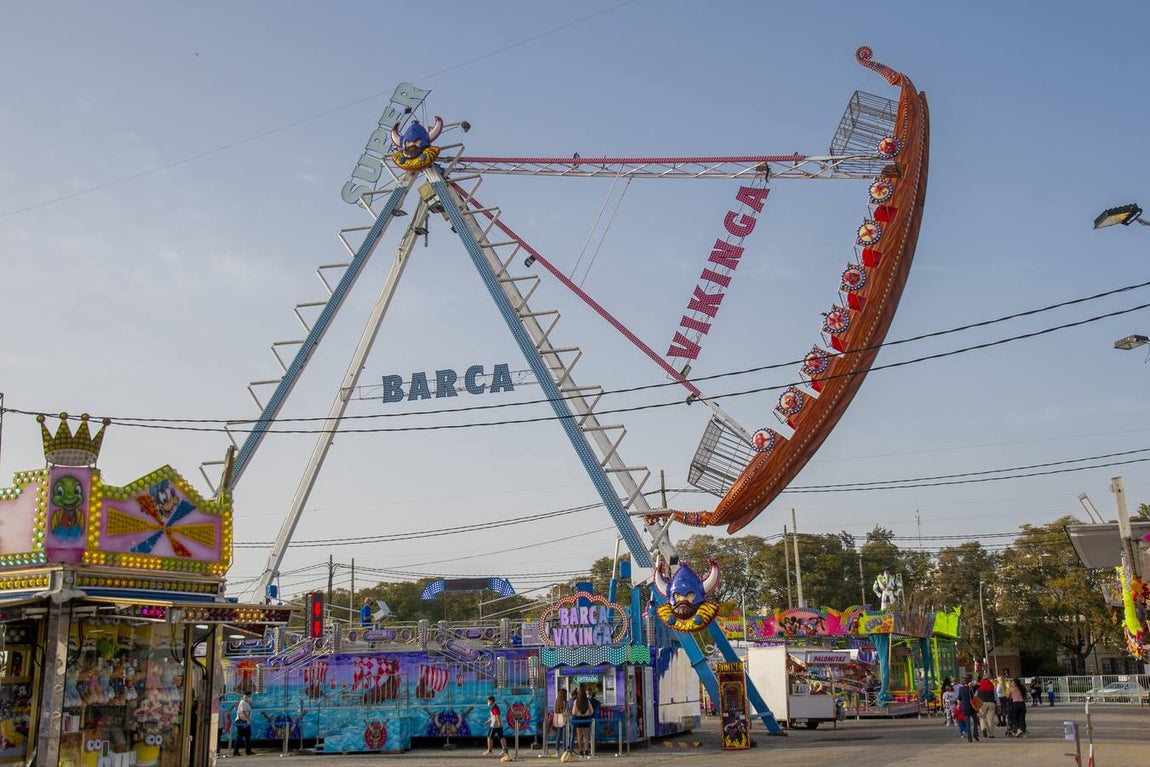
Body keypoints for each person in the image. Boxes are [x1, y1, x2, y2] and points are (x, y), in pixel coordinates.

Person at [570, 687, 595, 756]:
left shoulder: (576, 701)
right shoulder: (587, 701)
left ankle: (580, 751)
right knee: (586, 736)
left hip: (578, 719)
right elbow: (592, 711)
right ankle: (586, 751)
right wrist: (587, 714)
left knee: (579, 736)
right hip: (586, 719)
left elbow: (573, 712)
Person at [955, 674, 980, 742]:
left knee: (967, 723)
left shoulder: (961, 689)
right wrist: (972, 685)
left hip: (965, 707)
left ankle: (969, 738)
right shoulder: (971, 688)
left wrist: (958, 705)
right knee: (975, 721)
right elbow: (977, 688)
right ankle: (975, 733)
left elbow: (959, 698)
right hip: (972, 706)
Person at [976, 674, 996, 738]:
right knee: (990, 719)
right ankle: (991, 734)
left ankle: (983, 728)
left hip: (982, 703)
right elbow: (996, 696)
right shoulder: (992, 686)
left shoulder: (980, 686)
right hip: (991, 703)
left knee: (982, 717)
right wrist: (999, 704)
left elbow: (976, 696)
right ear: (989, 678)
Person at [553, 688, 570, 755]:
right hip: (564, 721)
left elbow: (555, 711)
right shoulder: (565, 702)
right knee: (565, 736)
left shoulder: (556, 701)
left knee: (558, 736)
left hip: (558, 721)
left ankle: (557, 751)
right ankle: (565, 751)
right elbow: (565, 713)